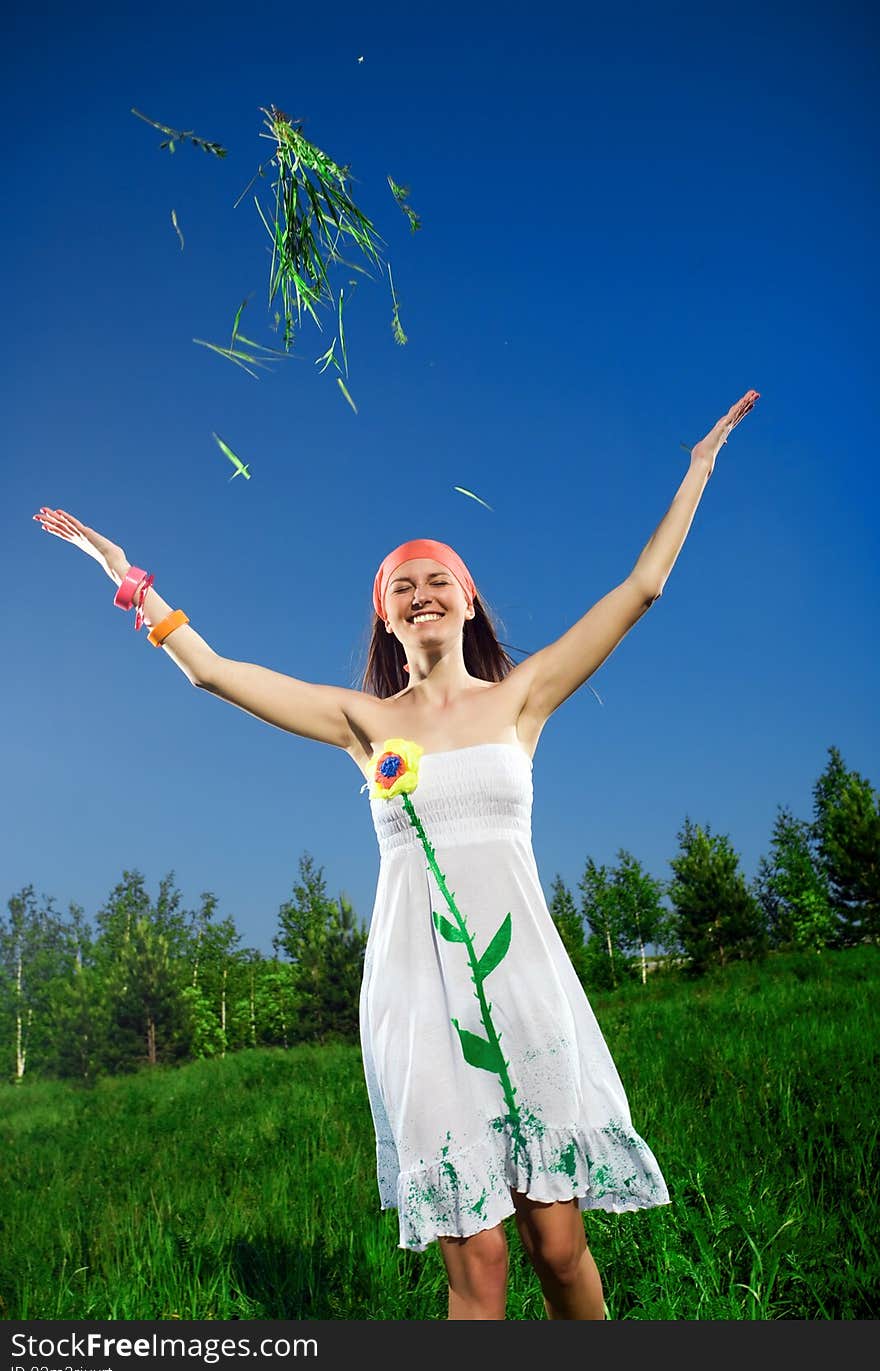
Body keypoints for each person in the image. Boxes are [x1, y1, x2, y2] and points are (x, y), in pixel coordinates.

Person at [33, 388, 759, 1319]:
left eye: (437, 579)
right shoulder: (361, 722)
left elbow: (641, 589)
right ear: (385, 618)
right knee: (479, 1262)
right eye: (400, 586)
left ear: (468, 601)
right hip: (419, 997)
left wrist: (696, 469)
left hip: (524, 979)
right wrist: (124, 574)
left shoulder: (523, 698)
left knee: (559, 1240)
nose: (421, 593)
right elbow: (214, 671)